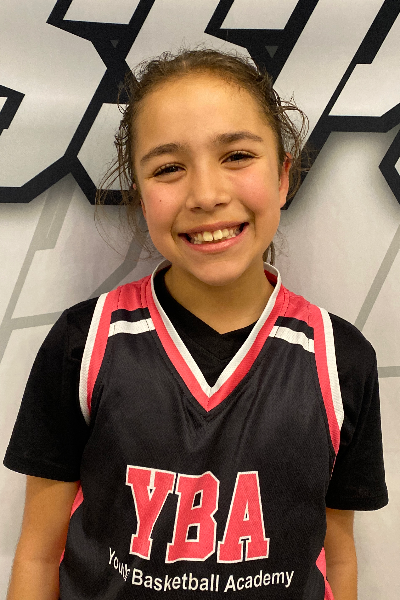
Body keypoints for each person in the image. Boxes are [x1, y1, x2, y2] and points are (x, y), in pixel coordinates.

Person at [4, 48, 388, 600]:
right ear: (140, 196)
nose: (207, 195)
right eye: (168, 168)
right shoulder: (84, 343)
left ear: (284, 176)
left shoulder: (339, 358)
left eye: (237, 156)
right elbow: (38, 554)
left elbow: (338, 555)